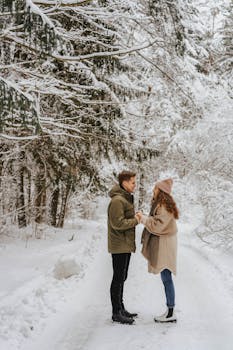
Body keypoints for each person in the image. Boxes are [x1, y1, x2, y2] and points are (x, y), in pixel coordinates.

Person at [136, 178, 179, 323]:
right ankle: (170, 310)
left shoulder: (163, 206)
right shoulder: (161, 204)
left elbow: (158, 226)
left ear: (161, 192)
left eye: (155, 188)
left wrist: (143, 219)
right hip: (165, 244)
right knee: (166, 278)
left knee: (167, 278)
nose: (153, 191)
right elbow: (156, 221)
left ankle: (171, 312)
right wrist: (145, 217)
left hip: (165, 246)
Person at [108, 170, 140, 325]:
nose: (135, 185)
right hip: (119, 245)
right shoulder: (117, 201)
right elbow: (118, 223)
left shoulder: (124, 199)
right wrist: (135, 220)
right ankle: (116, 313)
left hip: (125, 244)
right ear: (125, 182)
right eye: (133, 182)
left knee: (122, 277)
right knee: (118, 278)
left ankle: (121, 308)